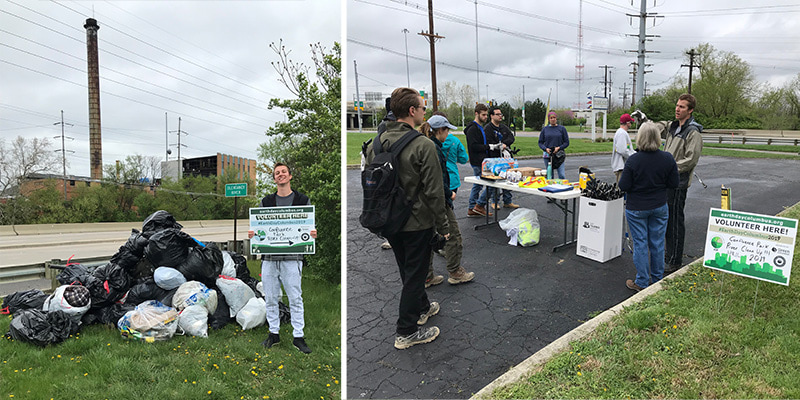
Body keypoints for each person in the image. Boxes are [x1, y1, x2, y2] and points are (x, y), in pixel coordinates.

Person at [364, 87, 449, 350]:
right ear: (412, 111)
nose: (424, 112)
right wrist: (443, 227)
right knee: (416, 274)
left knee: (407, 269)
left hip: (387, 220)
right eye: (422, 108)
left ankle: (422, 307)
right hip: (417, 222)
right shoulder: (422, 145)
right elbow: (434, 192)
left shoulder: (375, 144)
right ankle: (407, 331)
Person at [249, 163, 317, 354]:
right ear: (274, 178)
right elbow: (258, 227)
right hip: (269, 258)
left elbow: (308, 226)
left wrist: (312, 233)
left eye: (283, 172)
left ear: (290, 176)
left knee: (295, 298)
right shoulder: (266, 202)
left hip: (292, 258)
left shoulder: (302, 200)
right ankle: (274, 334)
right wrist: (253, 234)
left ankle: (298, 336)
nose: (281, 175)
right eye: (277, 173)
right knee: (270, 297)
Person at [632, 93, 703, 273]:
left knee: (674, 222)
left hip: (678, 182)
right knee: (665, 221)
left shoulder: (692, 132)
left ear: (690, 110)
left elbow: (691, 160)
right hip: (667, 181)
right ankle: (668, 256)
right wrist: (644, 120)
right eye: (677, 105)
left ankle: (675, 261)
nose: (677, 109)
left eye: (682, 107)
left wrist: (668, 168)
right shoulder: (672, 126)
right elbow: (655, 128)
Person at [618, 122, 679, 291]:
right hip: (659, 205)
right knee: (658, 243)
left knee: (640, 243)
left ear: (640, 138)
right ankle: (658, 279)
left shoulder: (633, 160)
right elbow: (674, 183)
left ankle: (643, 281)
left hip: (637, 207)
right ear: (658, 138)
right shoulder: (667, 158)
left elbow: (623, 186)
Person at [419, 114, 476, 288]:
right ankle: (455, 271)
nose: (448, 133)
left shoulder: (422, 144)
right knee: (452, 234)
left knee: (428, 236)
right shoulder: (434, 148)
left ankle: (427, 276)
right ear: (440, 130)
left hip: (423, 199)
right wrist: (447, 192)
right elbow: (436, 177)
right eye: (447, 130)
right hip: (438, 197)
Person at [465, 103, 502, 217]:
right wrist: (489, 146)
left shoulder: (479, 127)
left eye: (486, 115)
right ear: (477, 113)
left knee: (478, 184)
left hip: (482, 160)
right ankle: (479, 205)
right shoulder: (472, 129)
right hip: (478, 161)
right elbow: (473, 146)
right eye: (484, 115)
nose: (486, 117)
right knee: (491, 184)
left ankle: (472, 207)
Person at [484, 106, 520, 209]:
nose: (500, 116)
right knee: (496, 180)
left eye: (501, 114)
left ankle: (508, 201)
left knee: (508, 178)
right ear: (492, 116)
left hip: (506, 158)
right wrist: (498, 146)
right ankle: (495, 201)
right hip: (494, 158)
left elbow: (511, 137)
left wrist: (504, 144)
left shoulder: (504, 127)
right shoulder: (488, 129)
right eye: (498, 114)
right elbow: (489, 142)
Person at [538, 112, 569, 179]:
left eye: (554, 118)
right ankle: (551, 188)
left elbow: (566, 142)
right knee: (550, 175)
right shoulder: (545, 129)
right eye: (551, 118)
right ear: (549, 119)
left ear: (556, 119)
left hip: (559, 155)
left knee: (561, 175)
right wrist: (545, 149)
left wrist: (559, 148)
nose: (553, 119)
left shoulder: (562, 129)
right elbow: (540, 142)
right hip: (548, 155)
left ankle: (562, 187)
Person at [612, 113, 636, 183]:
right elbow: (622, 150)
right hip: (621, 167)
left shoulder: (622, 133)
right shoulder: (622, 133)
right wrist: (633, 155)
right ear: (627, 123)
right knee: (621, 190)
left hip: (622, 166)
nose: (631, 124)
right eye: (630, 122)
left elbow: (626, 148)